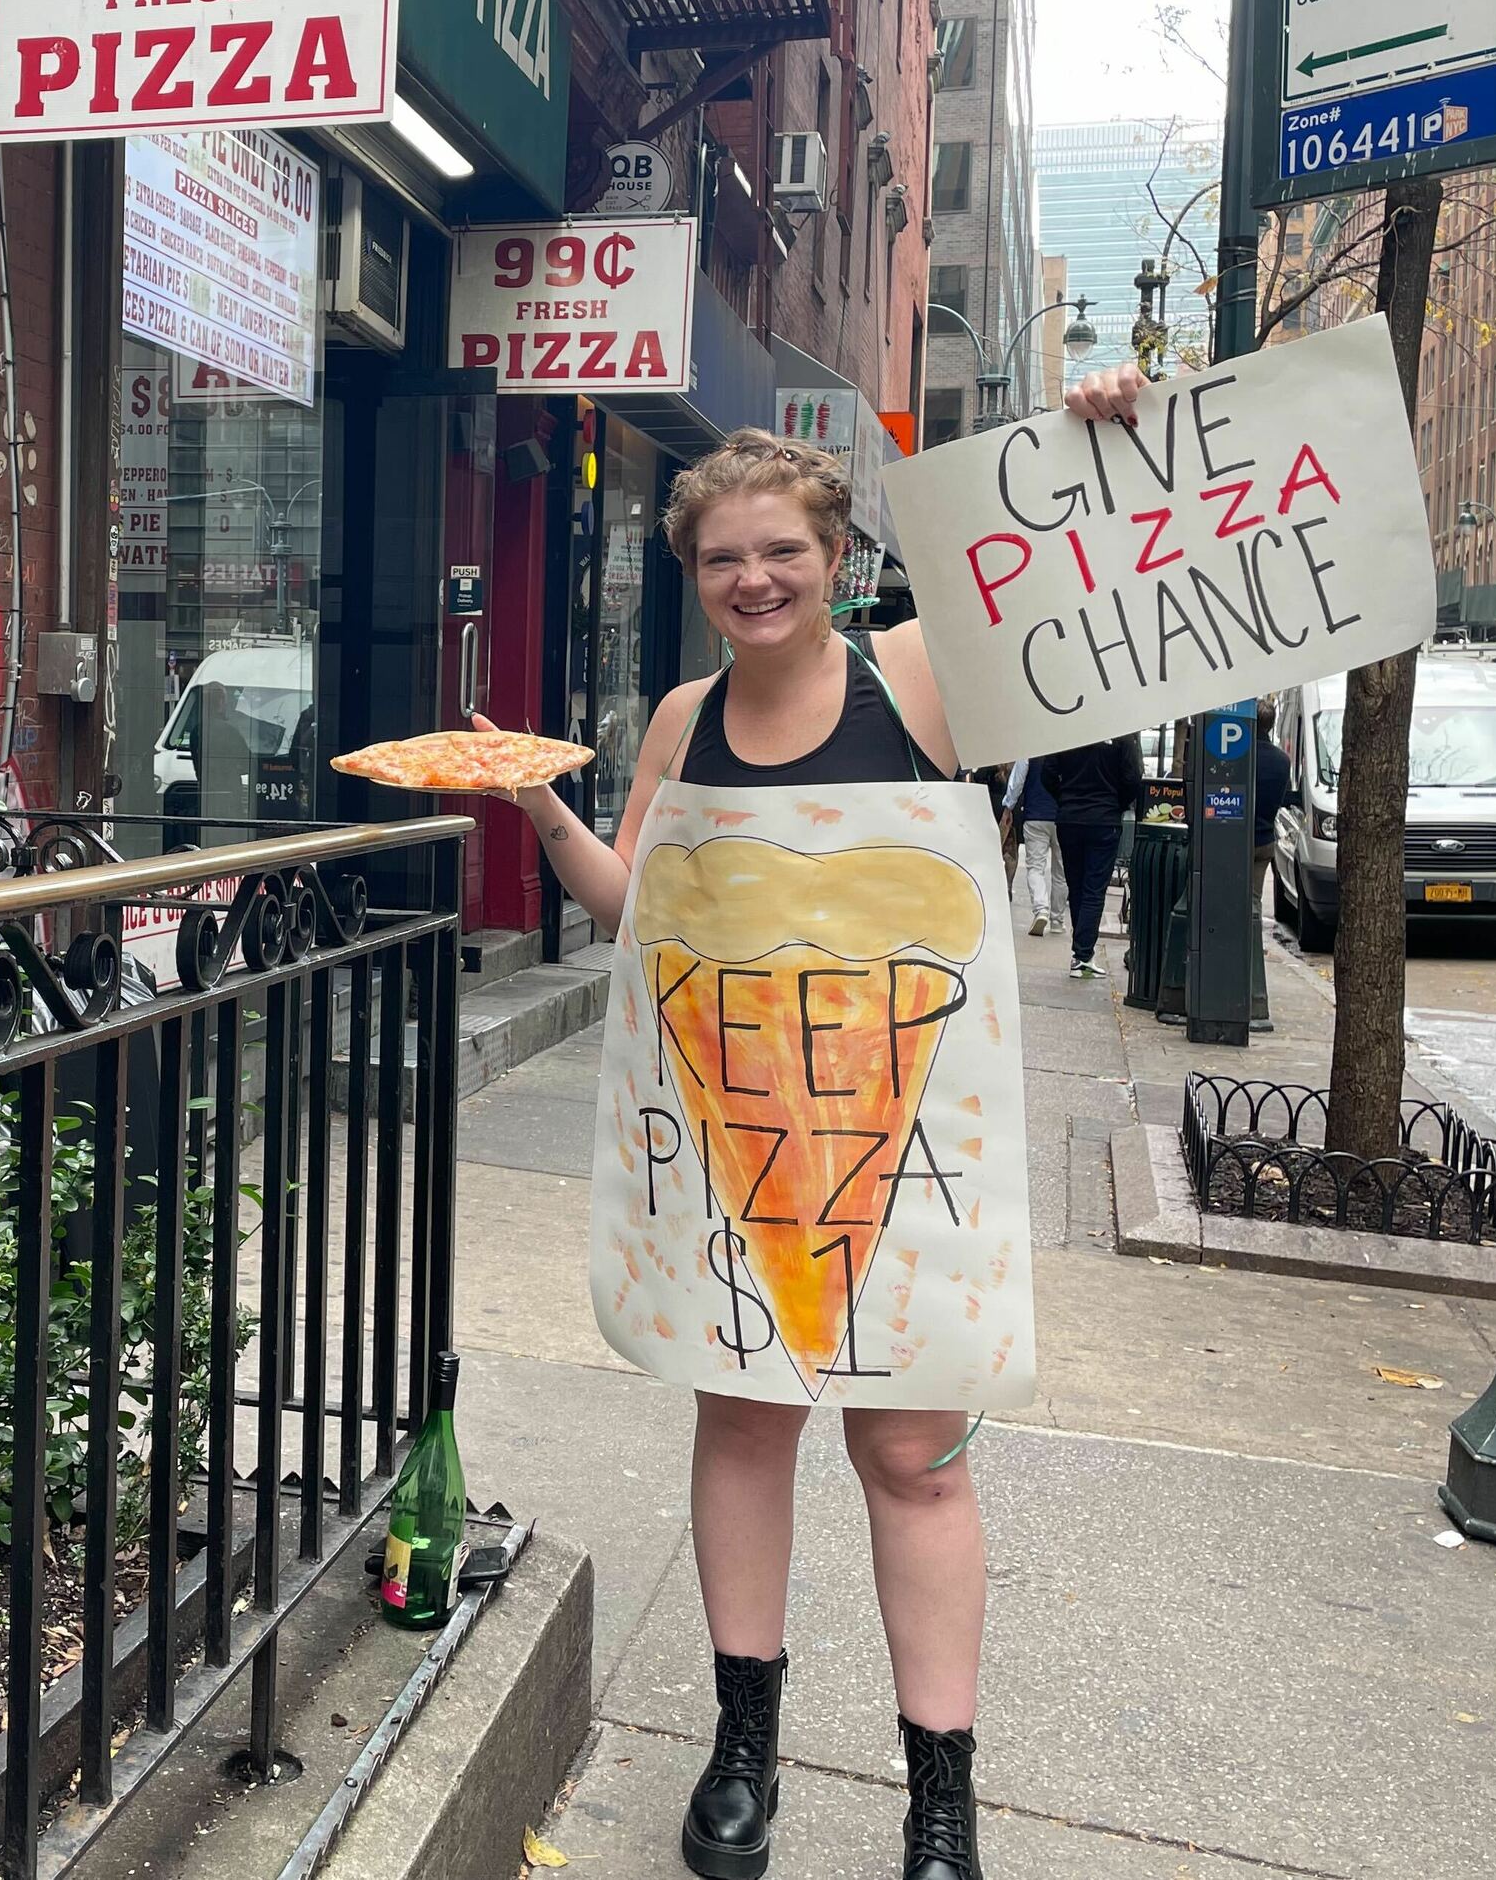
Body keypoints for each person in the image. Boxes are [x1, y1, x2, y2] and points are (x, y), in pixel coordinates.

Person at [472, 390, 1129, 1880]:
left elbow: (1095, 598)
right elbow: (638, 905)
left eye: (781, 550)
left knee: (917, 1458)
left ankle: (939, 1803)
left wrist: (1109, 434)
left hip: (912, 1140)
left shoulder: (927, 680)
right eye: (721, 560)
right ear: (693, 573)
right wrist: (542, 810)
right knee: (746, 1420)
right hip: (736, 1130)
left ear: (836, 553)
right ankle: (743, 1746)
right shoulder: (682, 722)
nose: (752, 579)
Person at [1032, 736, 1143, 977]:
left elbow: (1047, 774)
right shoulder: (1122, 734)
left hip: (1070, 817)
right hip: (1105, 819)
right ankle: (1082, 954)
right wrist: (1116, 803)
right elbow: (1133, 778)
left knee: (1077, 885)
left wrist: (1065, 799)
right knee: (1094, 889)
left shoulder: (1069, 729)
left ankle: (1081, 952)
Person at [999, 754, 1060, 937]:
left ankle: (1041, 910)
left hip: (1035, 813)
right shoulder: (1067, 744)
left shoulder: (1031, 747)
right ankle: (1057, 920)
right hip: (1063, 815)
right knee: (1061, 871)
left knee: (1035, 867)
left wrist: (1009, 806)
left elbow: (1017, 779)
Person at [1253, 697, 1293, 906]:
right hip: (1266, 838)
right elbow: (1284, 796)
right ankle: (1253, 938)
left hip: (1239, 839)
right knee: (1254, 900)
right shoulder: (1282, 760)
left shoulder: (1243, 758)